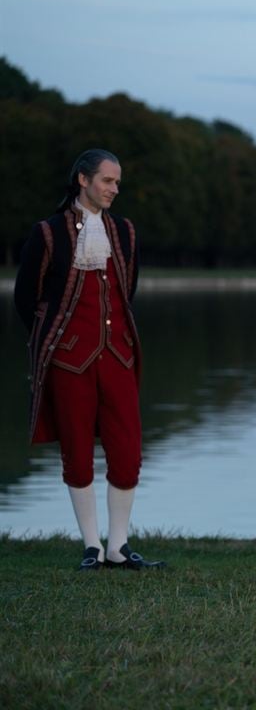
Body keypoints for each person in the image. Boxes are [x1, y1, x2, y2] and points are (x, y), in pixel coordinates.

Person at [14, 149, 164, 571]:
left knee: (128, 450)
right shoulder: (47, 233)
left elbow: (126, 289)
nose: (115, 189)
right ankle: (92, 547)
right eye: (107, 181)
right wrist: (57, 339)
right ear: (83, 180)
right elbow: (26, 299)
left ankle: (119, 546)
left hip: (118, 354)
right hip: (68, 360)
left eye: (118, 182)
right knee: (77, 453)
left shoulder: (125, 232)